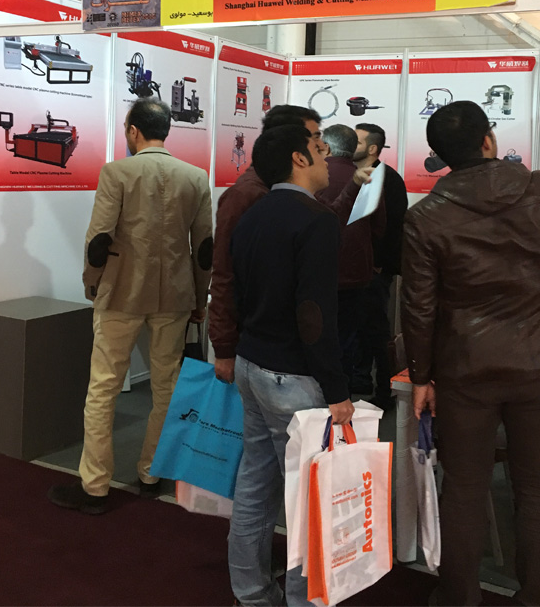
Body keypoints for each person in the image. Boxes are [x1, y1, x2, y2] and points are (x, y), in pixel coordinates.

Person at [401, 101, 540, 607]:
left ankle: (457, 598)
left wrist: (420, 376)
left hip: (465, 370)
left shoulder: (425, 218)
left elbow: (418, 305)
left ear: (440, 157)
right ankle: (539, 599)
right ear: (488, 141)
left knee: (463, 487)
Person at [48, 98, 213, 514]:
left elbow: (99, 239)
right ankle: (151, 474)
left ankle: (95, 486)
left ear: (133, 131)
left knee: (103, 387)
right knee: (166, 388)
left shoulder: (116, 173)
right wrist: (199, 298)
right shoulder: (196, 177)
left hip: (121, 292)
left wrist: (93, 285)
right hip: (175, 296)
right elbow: (204, 248)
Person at [228, 123, 354, 606]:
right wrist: (337, 388)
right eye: (319, 150)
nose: (328, 160)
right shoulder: (316, 220)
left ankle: (251, 593)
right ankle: (303, 600)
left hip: (252, 364)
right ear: (299, 160)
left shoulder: (253, 214)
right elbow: (314, 314)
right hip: (293, 378)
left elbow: (239, 294)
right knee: (307, 501)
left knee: (255, 484)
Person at [210, 106, 372, 386]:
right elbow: (225, 274)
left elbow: (326, 218)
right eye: (314, 139)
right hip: (268, 354)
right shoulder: (246, 195)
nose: (323, 148)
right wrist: (224, 348)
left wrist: (354, 185)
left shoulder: (295, 191)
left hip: (293, 350)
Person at [316, 124, 385, 394]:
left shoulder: (315, 176)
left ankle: (320, 397)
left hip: (320, 272)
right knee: (348, 338)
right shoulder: (369, 177)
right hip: (356, 272)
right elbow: (379, 227)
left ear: (327, 147)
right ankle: (342, 394)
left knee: (317, 336)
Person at [352, 123, 408, 408]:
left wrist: (377, 265)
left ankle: (385, 392)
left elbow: (392, 227)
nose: (350, 144)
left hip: (374, 270)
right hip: (358, 268)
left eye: (357, 141)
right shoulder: (357, 176)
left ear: (372, 148)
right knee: (359, 329)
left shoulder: (387, 179)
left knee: (375, 331)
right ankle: (361, 382)